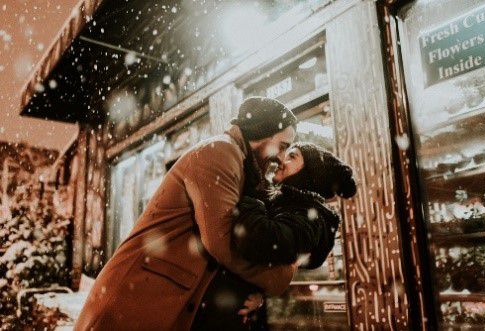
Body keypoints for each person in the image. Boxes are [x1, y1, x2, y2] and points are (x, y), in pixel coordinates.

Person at [74, 97, 299, 330]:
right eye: (282, 146)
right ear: (262, 133)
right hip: (136, 300)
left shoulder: (239, 163)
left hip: (154, 301)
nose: (282, 157)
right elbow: (221, 242)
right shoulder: (220, 152)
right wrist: (278, 277)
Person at [191, 142, 357, 330]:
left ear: (309, 174)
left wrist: (251, 194)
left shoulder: (308, 217)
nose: (282, 159)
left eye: (292, 156)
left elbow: (259, 240)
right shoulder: (287, 206)